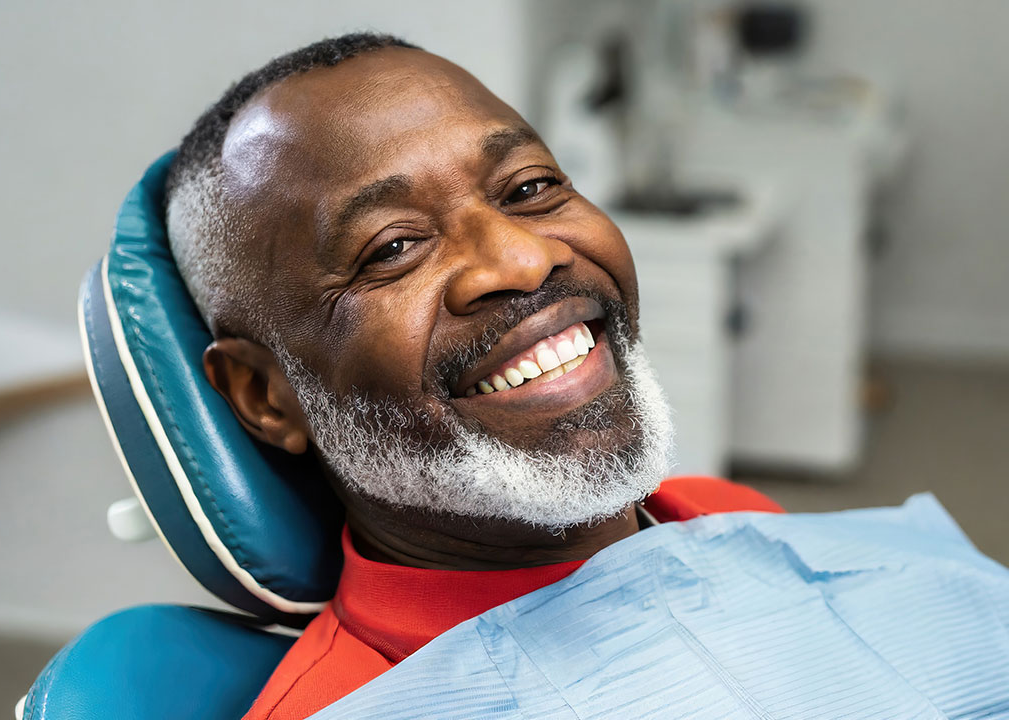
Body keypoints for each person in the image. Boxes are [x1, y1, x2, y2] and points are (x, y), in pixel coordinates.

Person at [164, 32, 781, 720]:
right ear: (266, 395)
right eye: (393, 248)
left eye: (530, 187)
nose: (522, 260)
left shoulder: (728, 514)